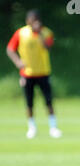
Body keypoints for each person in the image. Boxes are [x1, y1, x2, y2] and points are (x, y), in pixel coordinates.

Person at [6, 9, 62, 139]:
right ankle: (32, 128)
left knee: (49, 101)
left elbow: (47, 47)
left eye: (37, 20)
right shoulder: (21, 33)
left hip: (43, 72)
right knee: (29, 103)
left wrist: (39, 34)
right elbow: (10, 49)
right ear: (28, 21)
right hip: (27, 73)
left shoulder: (46, 32)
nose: (35, 22)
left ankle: (53, 127)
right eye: (32, 20)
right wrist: (17, 62)